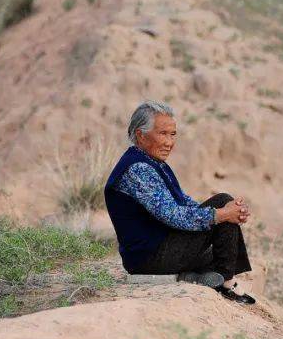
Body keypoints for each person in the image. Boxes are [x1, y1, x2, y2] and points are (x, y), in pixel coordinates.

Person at [103, 100, 256, 304]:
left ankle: (198, 277)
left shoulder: (153, 162)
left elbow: (183, 202)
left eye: (172, 134)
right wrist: (222, 213)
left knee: (222, 222)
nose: (169, 142)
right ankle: (226, 283)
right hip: (149, 258)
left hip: (163, 248)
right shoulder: (138, 169)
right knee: (222, 203)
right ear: (140, 135)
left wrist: (230, 212)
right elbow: (173, 215)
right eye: (162, 134)